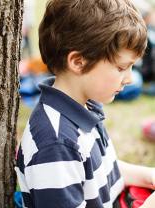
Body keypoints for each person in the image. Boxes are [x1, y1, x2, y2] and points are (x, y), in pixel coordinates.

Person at [15, 0, 155, 207]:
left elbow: (102, 172)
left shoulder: (85, 105)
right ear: (78, 62)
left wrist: (148, 176)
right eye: (121, 68)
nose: (130, 79)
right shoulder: (56, 145)